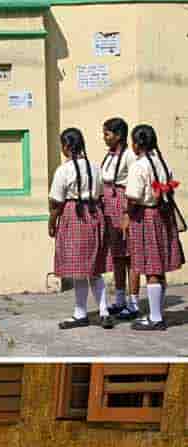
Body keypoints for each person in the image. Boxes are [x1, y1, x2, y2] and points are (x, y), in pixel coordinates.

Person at [123, 123, 185, 332]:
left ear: (137, 144)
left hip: (146, 217)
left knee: (151, 267)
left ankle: (156, 318)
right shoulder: (162, 163)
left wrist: (127, 217)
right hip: (163, 215)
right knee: (158, 267)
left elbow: (133, 197)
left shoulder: (139, 166)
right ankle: (156, 313)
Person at [48, 127, 108, 330]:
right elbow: (101, 193)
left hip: (74, 215)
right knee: (94, 268)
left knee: (78, 269)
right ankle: (104, 311)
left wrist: (52, 222)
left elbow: (56, 201)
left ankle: (80, 313)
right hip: (94, 213)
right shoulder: (95, 167)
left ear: (66, 146)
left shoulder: (63, 170)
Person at [99, 117, 137, 319]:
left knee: (130, 255)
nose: (104, 138)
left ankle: (134, 303)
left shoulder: (130, 156)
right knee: (117, 256)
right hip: (109, 207)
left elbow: (133, 184)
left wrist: (127, 213)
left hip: (122, 205)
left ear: (119, 135)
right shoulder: (110, 155)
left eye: (107, 134)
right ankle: (120, 300)